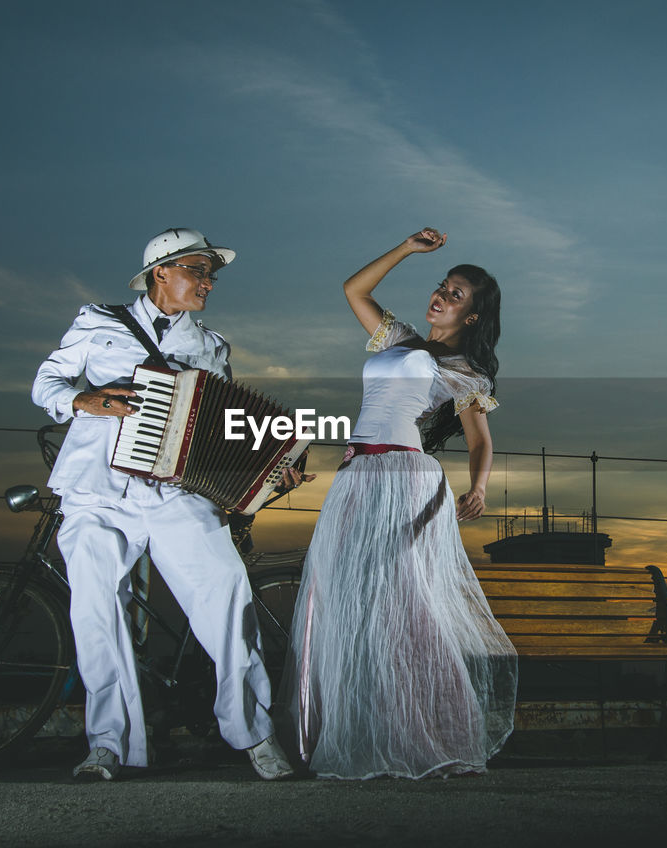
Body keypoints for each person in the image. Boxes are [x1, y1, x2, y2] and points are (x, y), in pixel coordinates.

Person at [31, 227, 308, 781]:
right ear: (161, 271)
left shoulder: (212, 346)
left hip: (177, 492)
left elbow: (229, 427)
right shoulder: (97, 322)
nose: (208, 282)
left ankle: (255, 736)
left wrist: (274, 465)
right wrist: (84, 399)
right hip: (97, 490)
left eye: (211, 274)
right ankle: (108, 744)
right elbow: (47, 383)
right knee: (95, 610)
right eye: (198, 271)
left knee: (228, 598)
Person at [280, 227, 518, 779]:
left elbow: (480, 440)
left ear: (474, 317)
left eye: (456, 295)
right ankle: (331, 730)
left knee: (402, 600)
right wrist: (407, 250)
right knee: (332, 589)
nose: (441, 296)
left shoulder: (463, 371)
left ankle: (430, 731)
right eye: (442, 286)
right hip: (355, 472)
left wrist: (478, 486)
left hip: (406, 477)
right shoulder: (398, 340)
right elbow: (354, 291)